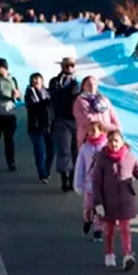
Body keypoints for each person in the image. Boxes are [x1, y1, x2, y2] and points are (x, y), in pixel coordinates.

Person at [91, 130, 138, 270]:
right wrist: (97, 202)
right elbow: (96, 182)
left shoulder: (130, 157)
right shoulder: (102, 158)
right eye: (110, 141)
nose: (113, 144)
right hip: (108, 200)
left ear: (122, 142)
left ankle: (127, 255)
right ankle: (109, 254)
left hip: (125, 200)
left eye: (116, 141)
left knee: (125, 228)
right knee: (109, 229)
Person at [49, 57, 80, 192]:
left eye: (71, 65)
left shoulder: (78, 82)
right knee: (64, 150)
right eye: (66, 66)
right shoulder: (55, 82)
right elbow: (53, 96)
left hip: (77, 121)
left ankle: (73, 179)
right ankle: (64, 180)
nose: (69, 68)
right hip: (61, 119)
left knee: (76, 151)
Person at [73, 121, 107, 242]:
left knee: (100, 208)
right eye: (89, 131)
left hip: (103, 185)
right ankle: (87, 220)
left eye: (94, 130)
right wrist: (78, 183)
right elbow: (80, 166)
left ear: (101, 131)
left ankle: (98, 230)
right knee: (88, 207)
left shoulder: (106, 146)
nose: (91, 133)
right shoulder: (85, 147)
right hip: (89, 185)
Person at [73, 76, 120, 146]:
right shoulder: (80, 101)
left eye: (94, 84)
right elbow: (86, 120)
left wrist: (115, 129)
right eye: (88, 84)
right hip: (88, 138)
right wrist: (105, 127)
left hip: (106, 138)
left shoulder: (104, 100)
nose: (92, 86)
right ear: (83, 87)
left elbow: (114, 118)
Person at [24, 73, 54, 183]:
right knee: (40, 151)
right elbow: (33, 106)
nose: (36, 81)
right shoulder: (29, 93)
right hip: (36, 126)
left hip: (49, 126)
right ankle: (42, 174)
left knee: (51, 151)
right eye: (33, 79)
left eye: (38, 78)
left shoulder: (47, 92)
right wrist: (46, 103)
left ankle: (47, 170)